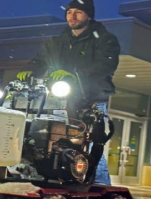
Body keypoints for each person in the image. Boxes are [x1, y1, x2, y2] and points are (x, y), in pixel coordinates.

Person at [17, 0, 120, 185]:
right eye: (69, 12)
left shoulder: (105, 39)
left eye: (78, 12)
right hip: (59, 99)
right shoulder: (58, 42)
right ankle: (52, 177)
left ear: (88, 15)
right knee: (52, 138)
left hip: (91, 99)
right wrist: (30, 70)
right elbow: (40, 60)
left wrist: (74, 75)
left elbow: (106, 65)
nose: (72, 16)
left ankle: (101, 187)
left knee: (90, 143)